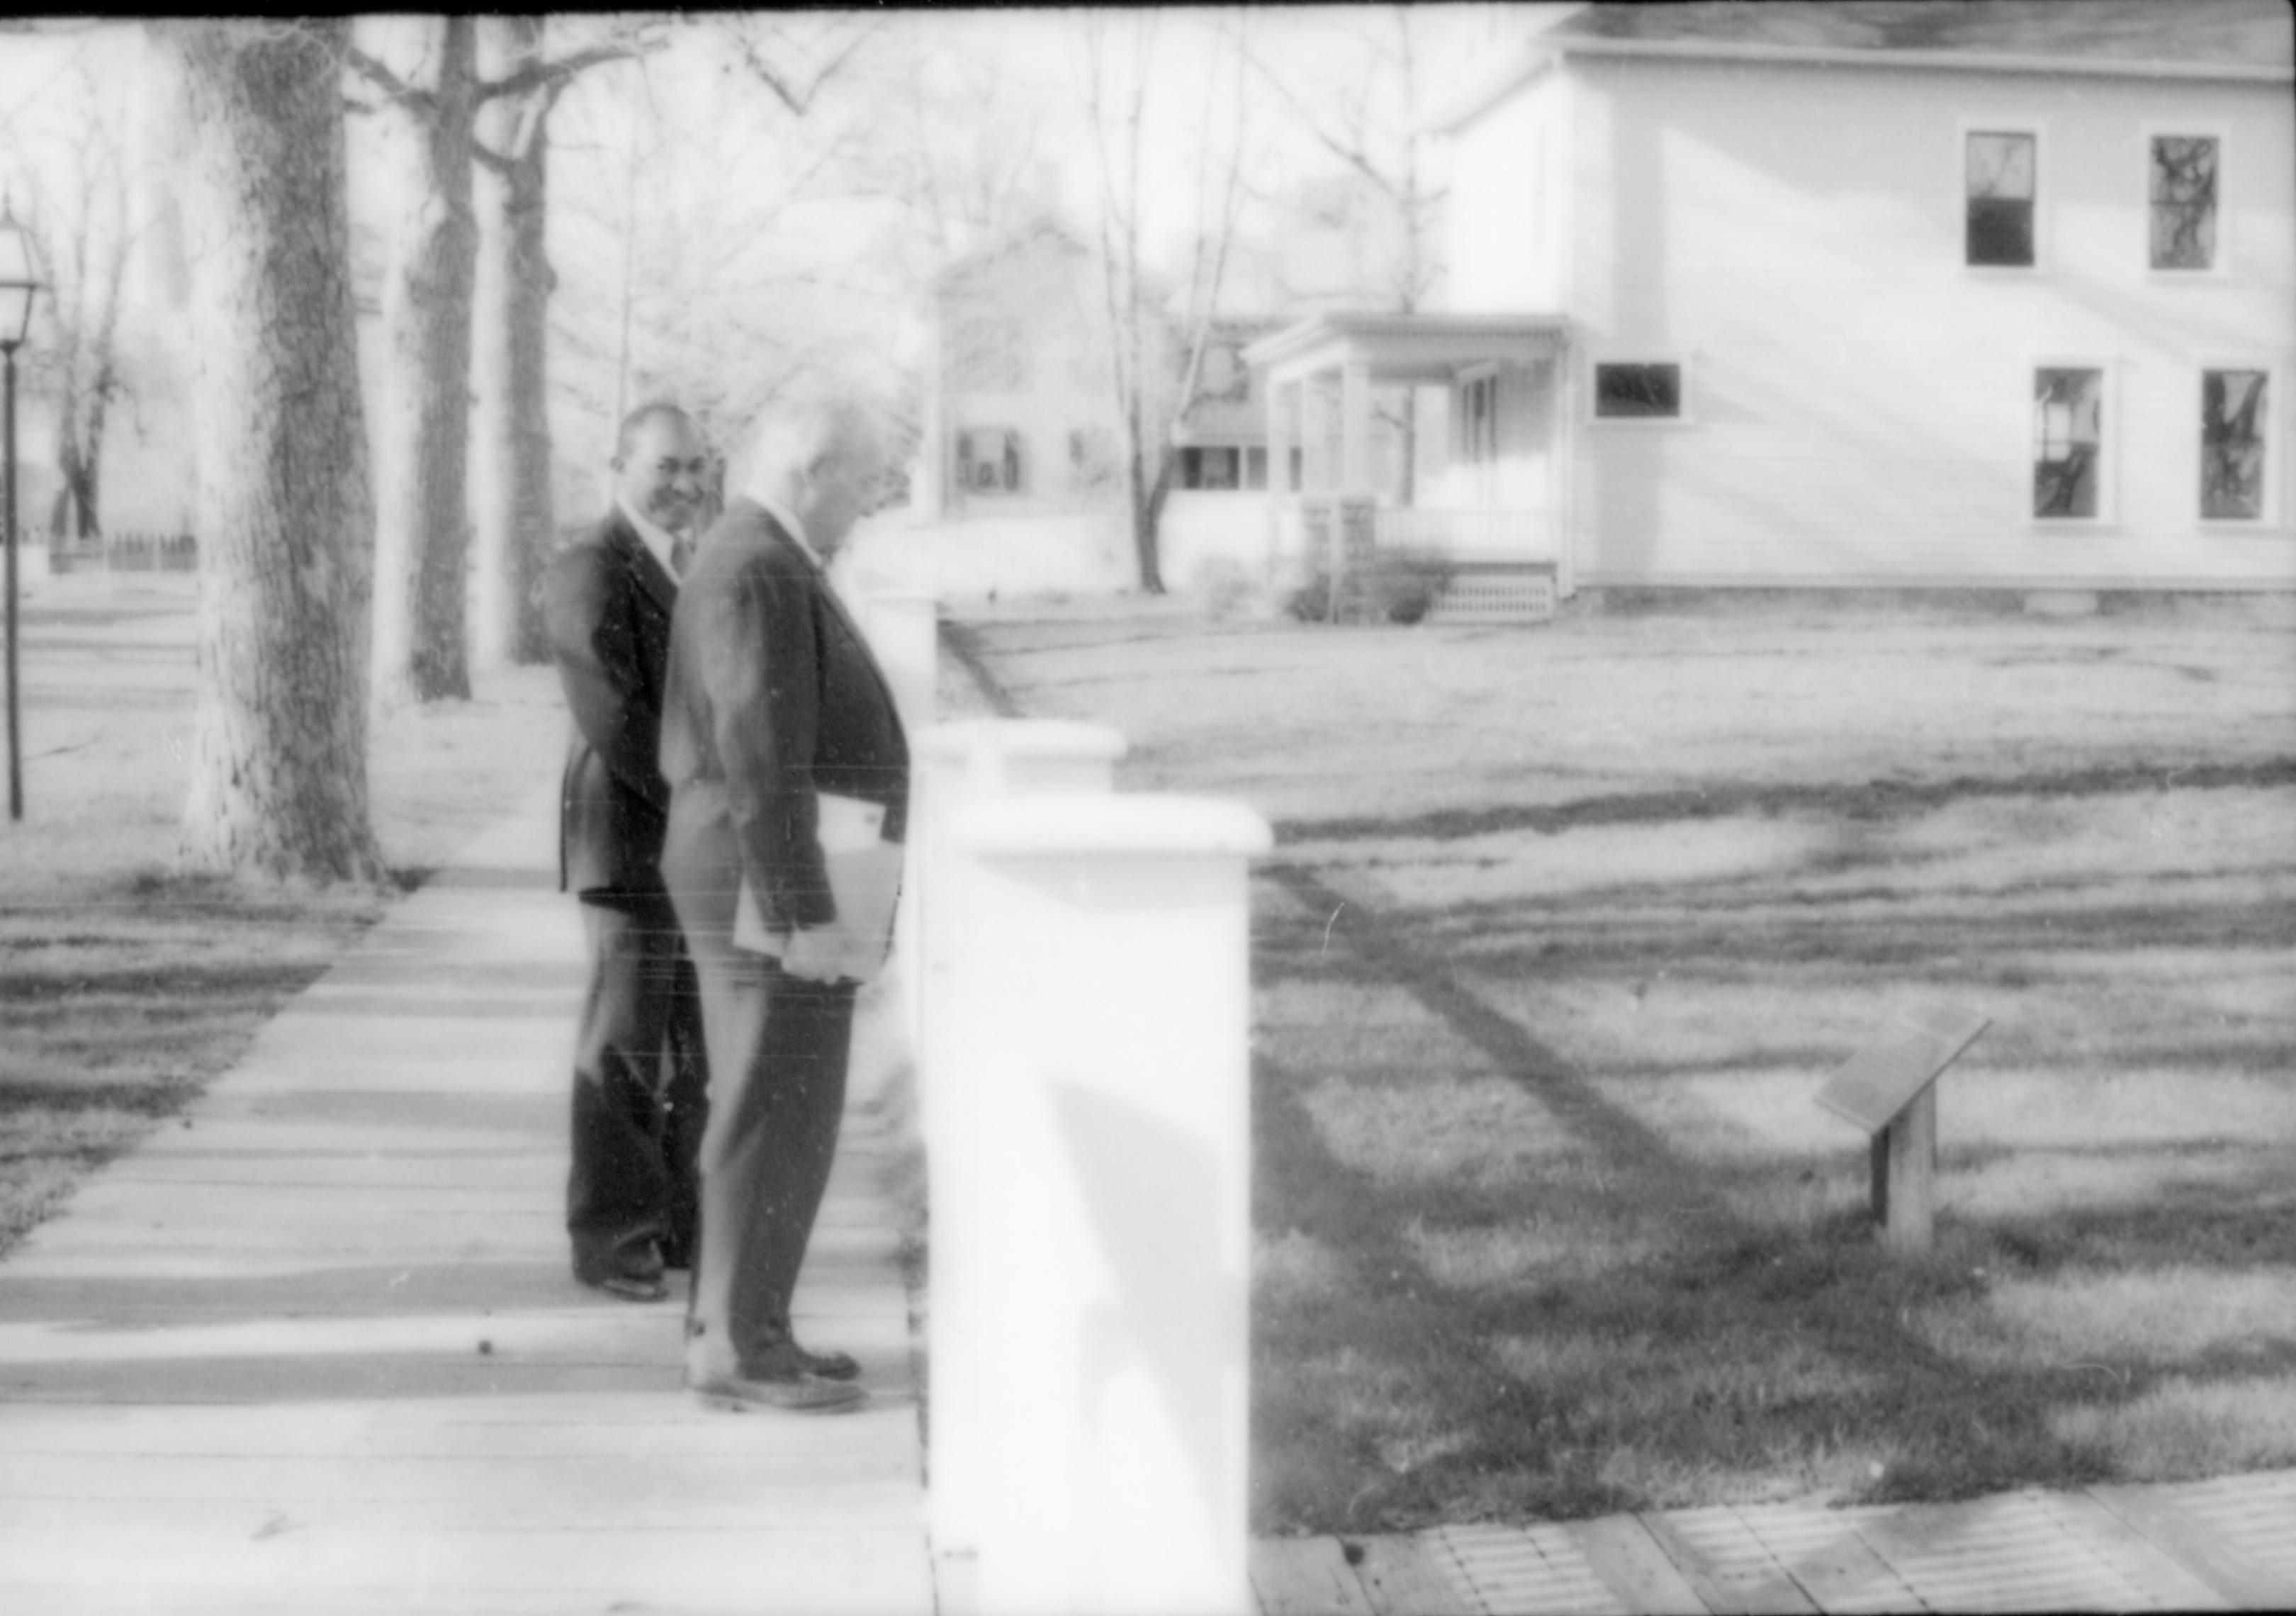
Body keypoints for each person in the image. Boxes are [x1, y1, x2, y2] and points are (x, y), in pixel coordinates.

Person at [658, 389, 906, 1414]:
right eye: (862, 485)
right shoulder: (759, 566)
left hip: (766, 868)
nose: (865, 508)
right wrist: (804, 911)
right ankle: (739, 1345)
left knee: (777, 1101)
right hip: (768, 878)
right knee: (774, 1101)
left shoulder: (759, 554)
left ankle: (746, 1323)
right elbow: (761, 758)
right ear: (812, 470)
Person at [541, 403, 713, 1304]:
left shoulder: (689, 564)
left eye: (696, 466)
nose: (684, 483)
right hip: (629, 836)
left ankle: (677, 1223)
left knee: (686, 1042)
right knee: (625, 1043)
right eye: (665, 467)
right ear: (619, 464)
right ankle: (610, 1238)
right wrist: (703, 800)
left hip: (682, 838)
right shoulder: (590, 565)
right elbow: (613, 715)